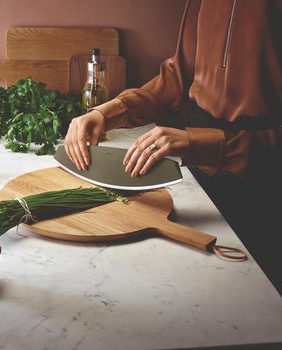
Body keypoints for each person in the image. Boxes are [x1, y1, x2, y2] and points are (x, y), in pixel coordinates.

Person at [64, 0, 282, 294]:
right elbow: (178, 78)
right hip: (203, 177)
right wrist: (111, 110)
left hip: (264, 187)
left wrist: (203, 143)